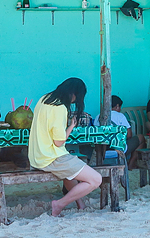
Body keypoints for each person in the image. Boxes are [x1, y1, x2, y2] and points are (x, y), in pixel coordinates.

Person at [28, 77, 102, 216]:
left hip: (37, 155)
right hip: (51, 157)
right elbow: (59, 142)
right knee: (96, 179)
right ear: (74, 94)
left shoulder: (44, 99)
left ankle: (81, 204)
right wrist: (71, 126)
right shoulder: (60, 108)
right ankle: (59, 204)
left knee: (70, 175)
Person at [109, 95, 145, 170]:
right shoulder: (120, 116)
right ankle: (131, 164)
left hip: (102, 151)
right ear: (117, 106)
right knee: (141, 138)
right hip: (119, 149)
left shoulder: (98, 116)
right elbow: (129, 135)